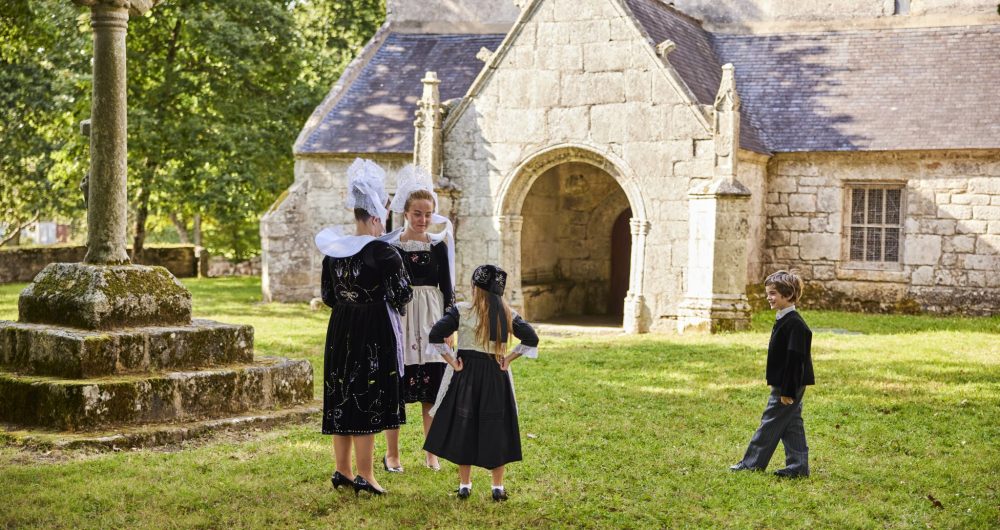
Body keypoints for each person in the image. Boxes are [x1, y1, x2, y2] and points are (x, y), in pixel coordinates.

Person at [316, 158, 413, 496]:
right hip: (373, 330)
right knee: (368, 396)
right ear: (374, 217)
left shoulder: (333, 252)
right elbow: (403, 294)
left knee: (342, 394)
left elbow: (329, 295)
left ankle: (342, 471)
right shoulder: (384, 254)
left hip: (340, 328)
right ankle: (366, 476)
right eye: (382, 215)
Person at [423, 265, 540, 501]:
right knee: (495, 427)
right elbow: (532, 338)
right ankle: (497, 487)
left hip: (466, 376)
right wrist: (508, 358)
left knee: (465, 427)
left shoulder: (462, 311)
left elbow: (435, 334)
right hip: (495, 376)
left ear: (474, 288)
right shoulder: (507, 313)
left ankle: (465, 484)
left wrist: (453, 362)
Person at [381, 165, 455, 473]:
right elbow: (386, 288)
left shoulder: (438, 246)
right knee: (395, 389)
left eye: (427, 214)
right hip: (401, 316)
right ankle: (393, 455)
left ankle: (431, 453)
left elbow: (448, 290)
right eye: (417, 214)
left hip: (431, 319)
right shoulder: (391, 247)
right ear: (406, 213)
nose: (422, 220)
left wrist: (449, 328)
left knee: (431, 392)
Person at [730, 270, 815, 478]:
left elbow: (795, 361)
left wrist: (787, 390)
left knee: (770, 422)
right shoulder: (784, 319)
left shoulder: (796, 324)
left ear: (788, 295)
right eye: (768, 293)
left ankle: (751, 464)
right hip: (787, 382)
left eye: (773, 293)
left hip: (788, 384)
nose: (769, 297)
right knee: (792, 423)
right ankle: (798, 467)